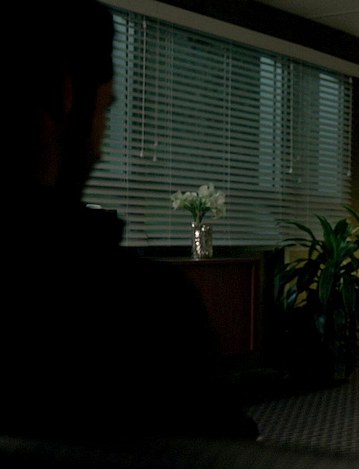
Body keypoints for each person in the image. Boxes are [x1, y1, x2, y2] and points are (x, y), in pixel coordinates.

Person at [2, 0, 258, 441]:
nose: (103, 145)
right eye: (106, 111)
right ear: (66, 96)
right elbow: (227, 450)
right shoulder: (143, 309)